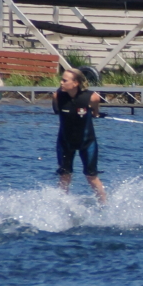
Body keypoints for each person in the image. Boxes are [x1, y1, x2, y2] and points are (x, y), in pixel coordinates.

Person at [53, 68, 107, 203]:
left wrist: (95, 114)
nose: (61, 82)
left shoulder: (91, 97)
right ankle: (61, 204)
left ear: (75, 83)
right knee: (65, 175)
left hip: (87, 142)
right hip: (65, 142)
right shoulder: (57, 96)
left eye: (65, 80)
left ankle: (105, 204)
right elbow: (57, 110)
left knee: (91, 176)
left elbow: (95, 112)